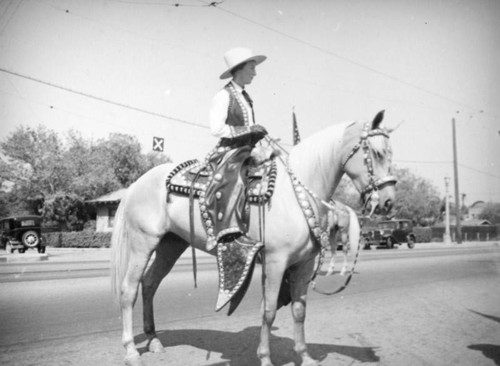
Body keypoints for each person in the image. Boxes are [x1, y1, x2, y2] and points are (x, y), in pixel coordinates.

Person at [203, 47, 268, 251]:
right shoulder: (223, 96)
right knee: (235, 180)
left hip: (246, 150)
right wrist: (249, 129)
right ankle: (225, 232)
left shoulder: (245, 97)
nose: (255, 73)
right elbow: (216, 129)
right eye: (251, 68)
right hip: (229, 152)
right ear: (239, 69)